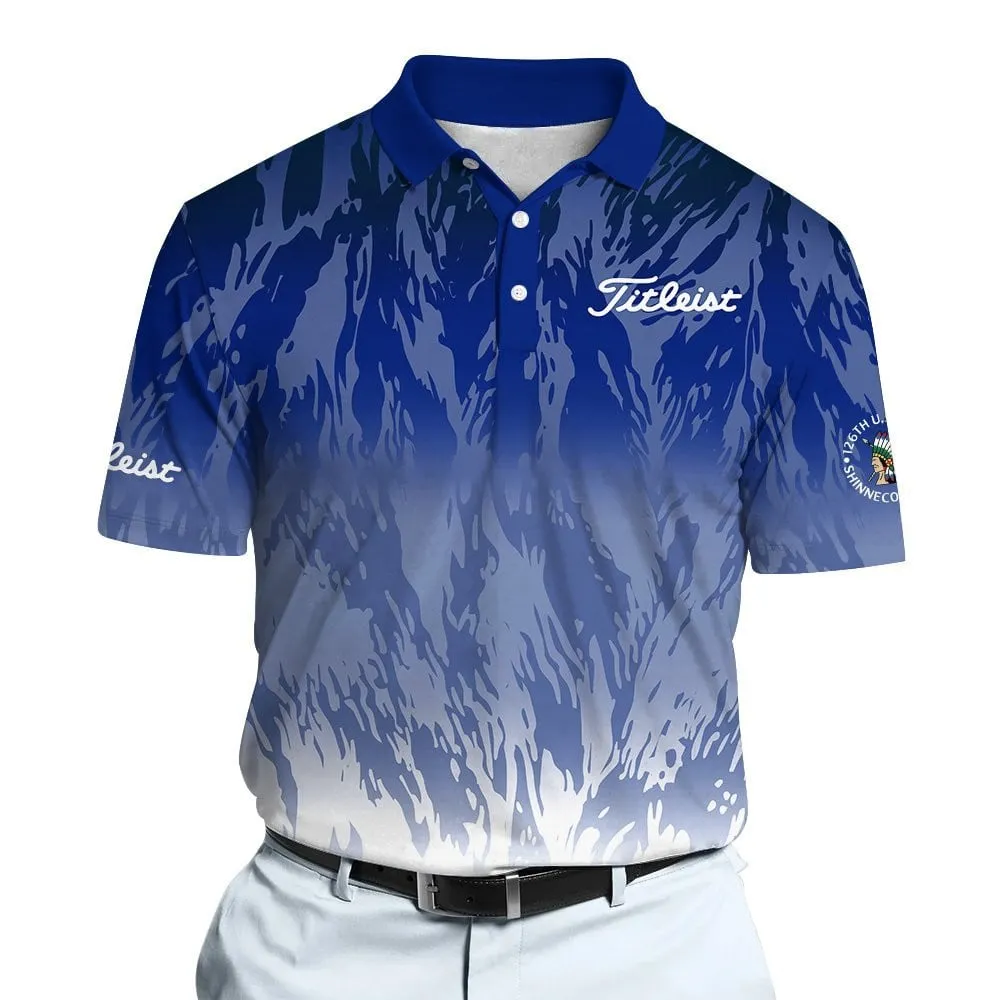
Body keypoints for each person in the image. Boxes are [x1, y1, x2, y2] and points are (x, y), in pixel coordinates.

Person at [97, 54, 905, 1000]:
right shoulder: (237, 237)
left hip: (662, 945)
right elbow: (136, 614)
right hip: (322, 944)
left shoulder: (779, 251)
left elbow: (848, 607)